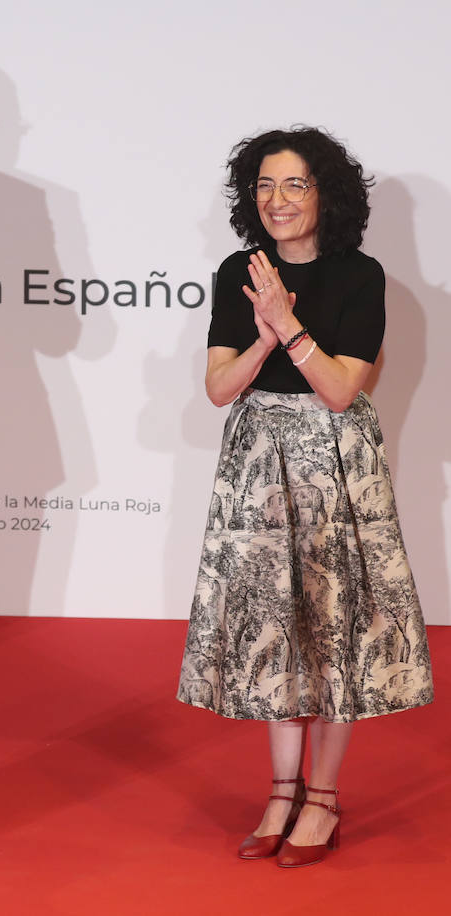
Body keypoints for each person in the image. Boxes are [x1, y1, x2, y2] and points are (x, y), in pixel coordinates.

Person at [178, 127, 434, 868]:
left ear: (326, 193)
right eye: (264, 185)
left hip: (335, 470)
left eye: (294, 184)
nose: (277, 199)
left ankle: (322, 796)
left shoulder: (360, 275)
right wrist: (260, 337)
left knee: (332, 627)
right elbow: (220, 388)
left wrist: (288, 325)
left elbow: (341, 388)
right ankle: (281, 790)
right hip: (257, 468)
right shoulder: (239, 270)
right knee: (274, 626)